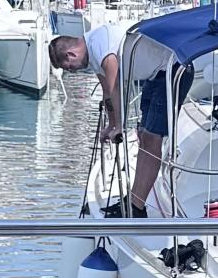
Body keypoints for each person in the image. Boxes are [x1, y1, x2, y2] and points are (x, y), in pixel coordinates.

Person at [48, 19, 182, 214]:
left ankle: (136, 207)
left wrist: (120, 125)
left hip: (172, 69)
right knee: (143, 137)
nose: (71, 71)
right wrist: (111, 125)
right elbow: (107, 92)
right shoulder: (94, 54)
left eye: (68, 67)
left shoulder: (99, 45)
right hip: (156, 75)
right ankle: (134, 201)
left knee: (152, 139)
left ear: (71, 54)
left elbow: (115, 85)